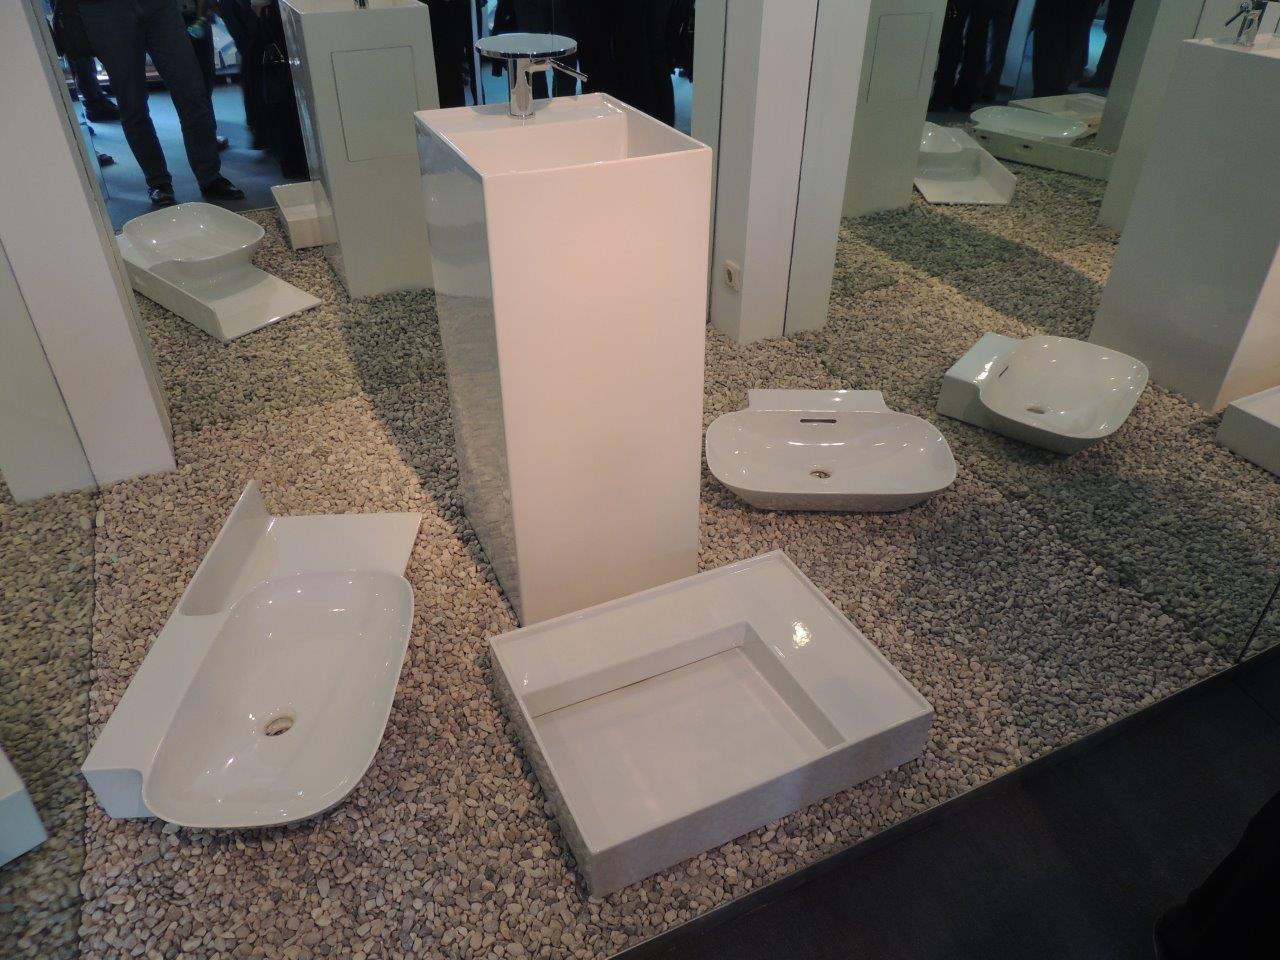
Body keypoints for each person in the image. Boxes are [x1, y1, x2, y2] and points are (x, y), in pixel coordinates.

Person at [76, 0, 244, 206]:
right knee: (132, 102)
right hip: (105, 10)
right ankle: (158, 182)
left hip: (159, 6)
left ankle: (210, 177)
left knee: (192, 93)